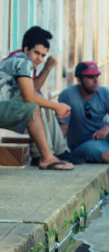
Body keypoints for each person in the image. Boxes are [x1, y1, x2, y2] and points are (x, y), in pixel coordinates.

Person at [0, 29, 74, 170]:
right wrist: (57, 106)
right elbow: (29, 97)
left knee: (40, 102)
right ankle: (46, 157)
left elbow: (32, 90)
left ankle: (57, 153)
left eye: (43, 55)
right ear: (26, 49)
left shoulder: (24, 61)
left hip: (4, 105)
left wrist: (46, 69)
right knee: (33, 107)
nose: (39, 58)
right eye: (36, 53)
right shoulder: (22, 61)